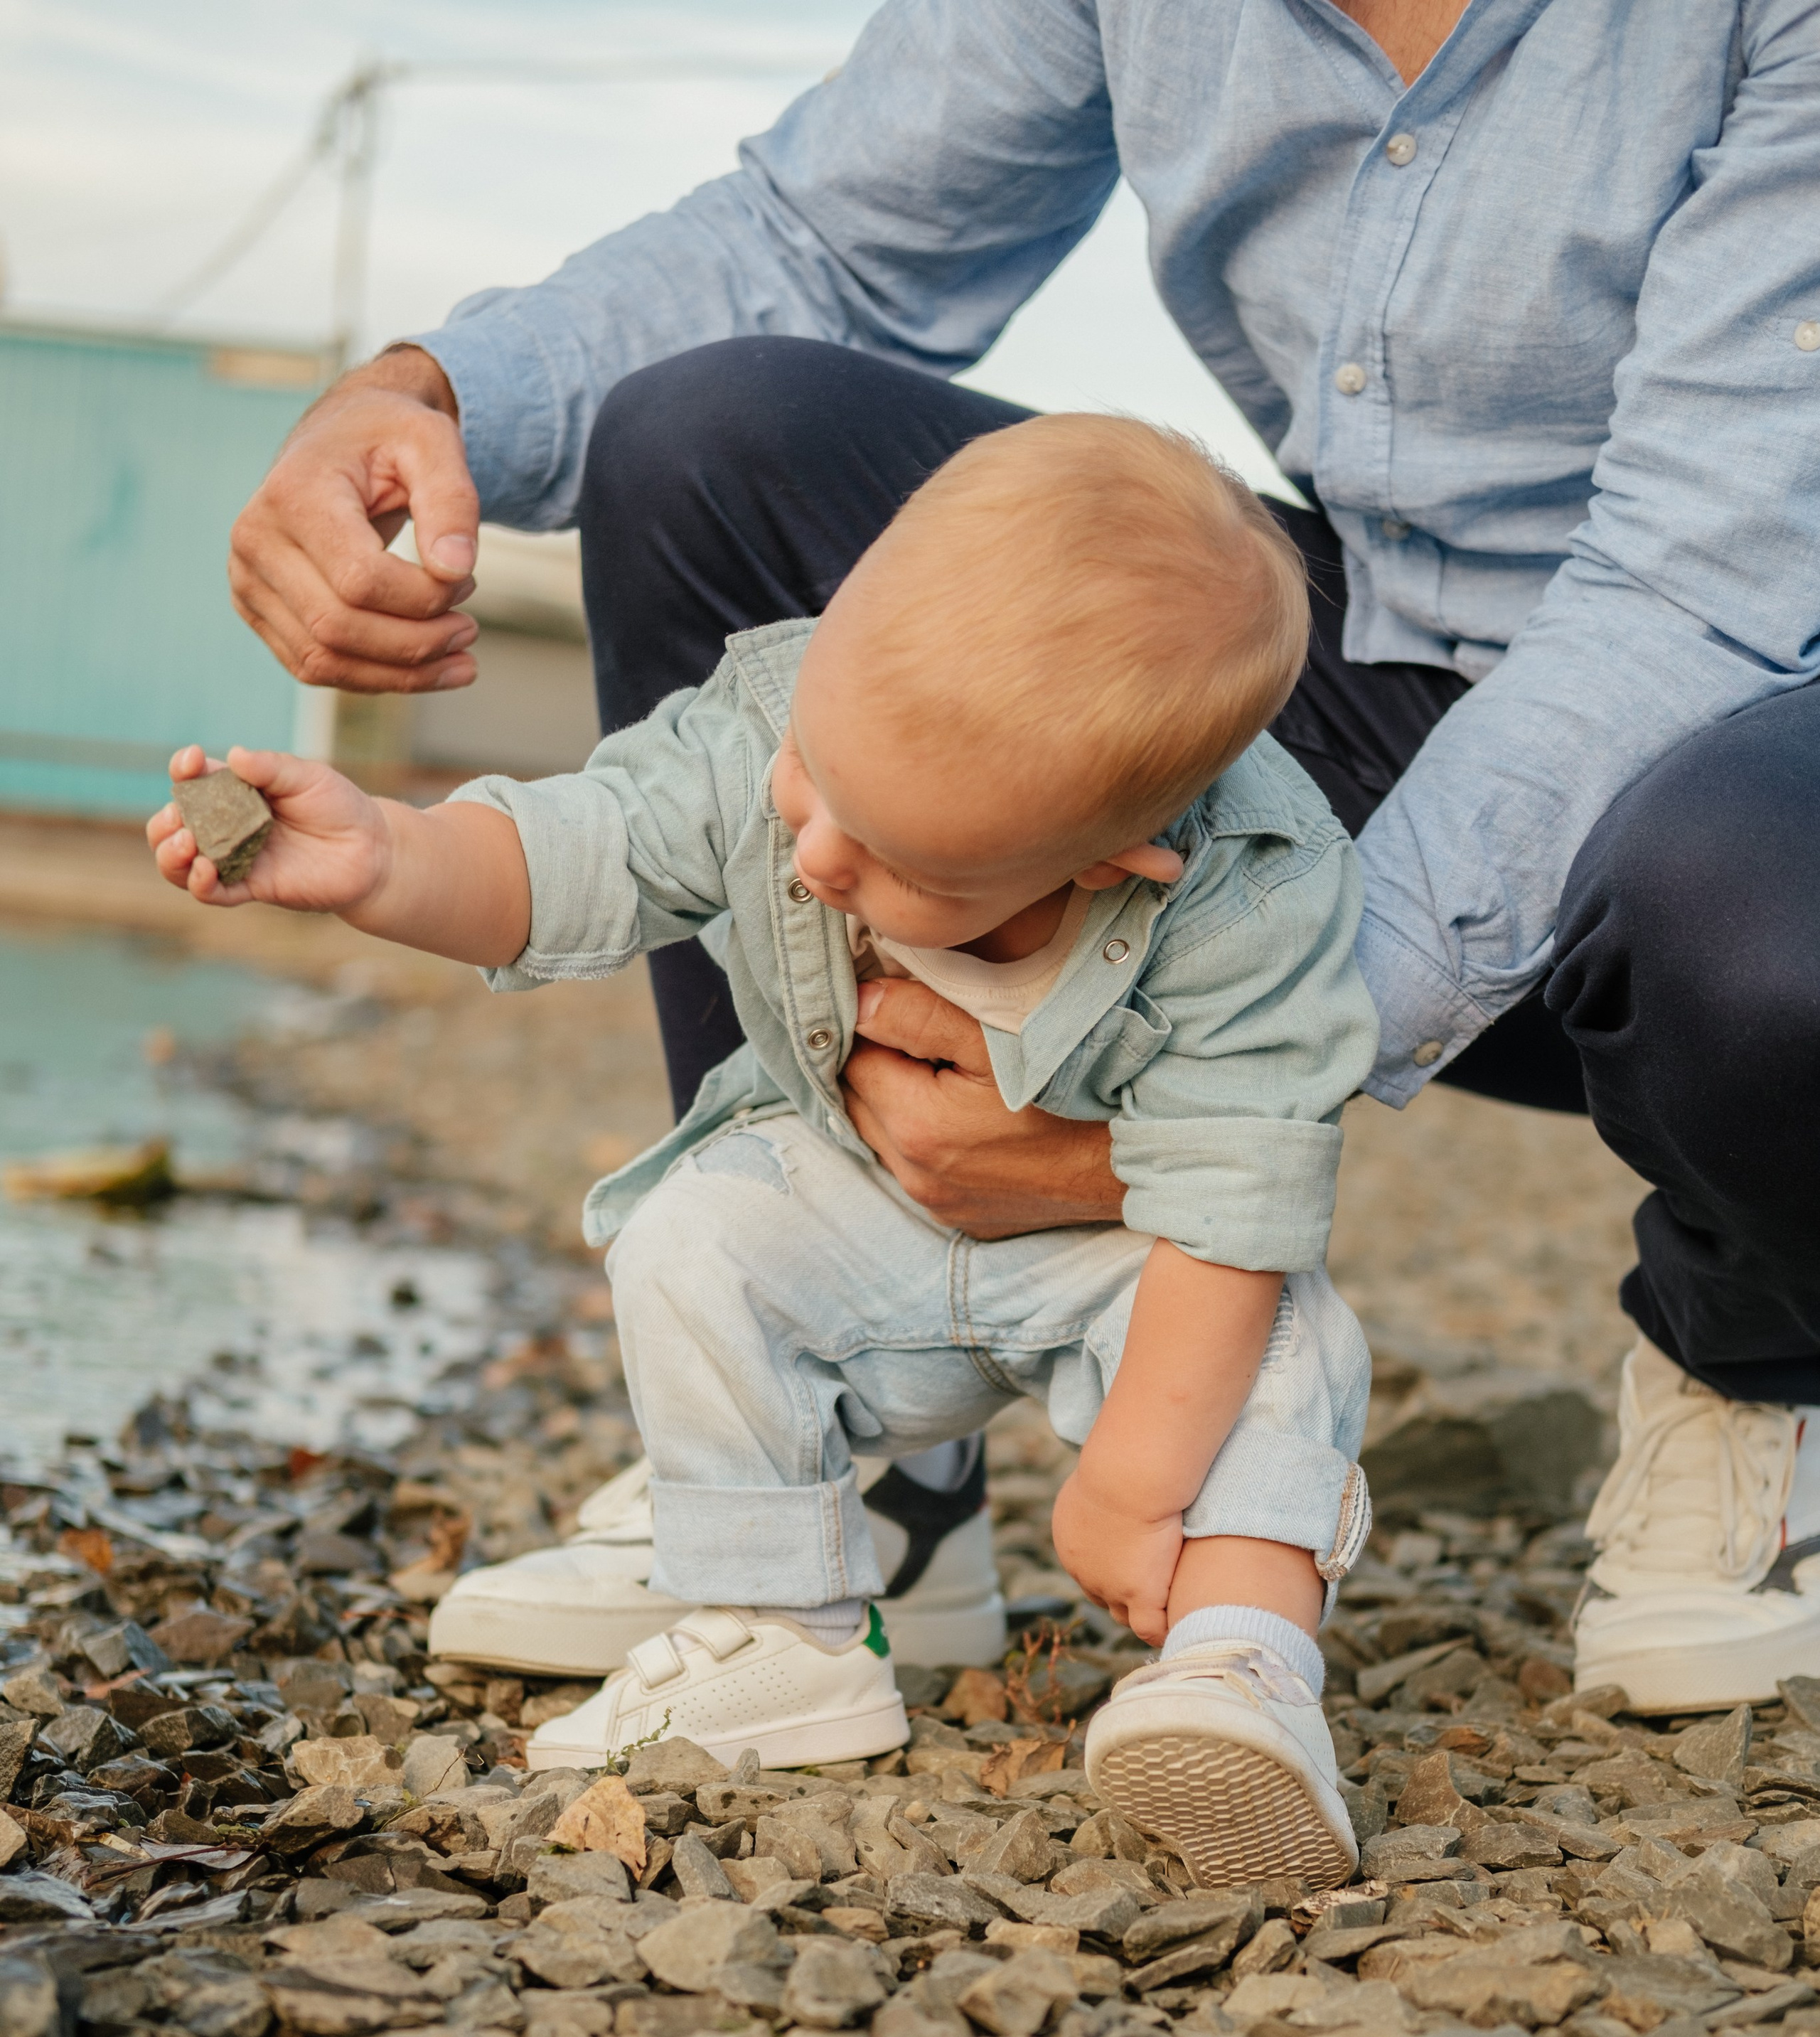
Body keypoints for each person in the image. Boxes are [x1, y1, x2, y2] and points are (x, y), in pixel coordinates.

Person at [228, 0, 1820, 1718]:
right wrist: (425, 396)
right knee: (707, 438)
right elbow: (811, 239)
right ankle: (846, 1428)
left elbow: (1695, 575)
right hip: (1357, 652)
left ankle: (1746, 1366)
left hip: (1739, 691)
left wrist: (1195, 1082)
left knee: (1763, 928)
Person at [156, 415, 1381, 1891]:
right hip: (859, 1219)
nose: (810, 855)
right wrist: (382, 858)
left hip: (1114, 1259)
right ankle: (786, 1633)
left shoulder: (1253, 890)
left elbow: (1232, 1210)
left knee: (1282, 1336)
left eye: (892, 859)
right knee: (691, 1234)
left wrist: (1128, 1485)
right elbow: (573, 856)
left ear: (1108, 861)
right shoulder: (778, 721)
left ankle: (1238, 1669)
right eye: (812, 776)